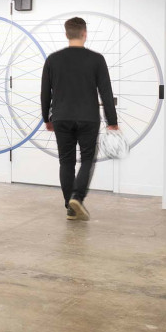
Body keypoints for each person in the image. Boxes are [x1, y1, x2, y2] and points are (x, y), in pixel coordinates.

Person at [40, 17, 119, 221]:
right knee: (86, 160)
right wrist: (112, 121)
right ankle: (77, 197)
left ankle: (70, 206)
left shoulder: (52, 59)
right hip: (88, 118)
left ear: (67, 34)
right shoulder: (96, 59)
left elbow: (44, 93)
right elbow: (106, 93)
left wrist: (46, 118)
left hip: (61, 117)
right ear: (85, 33)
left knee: (66, 161)